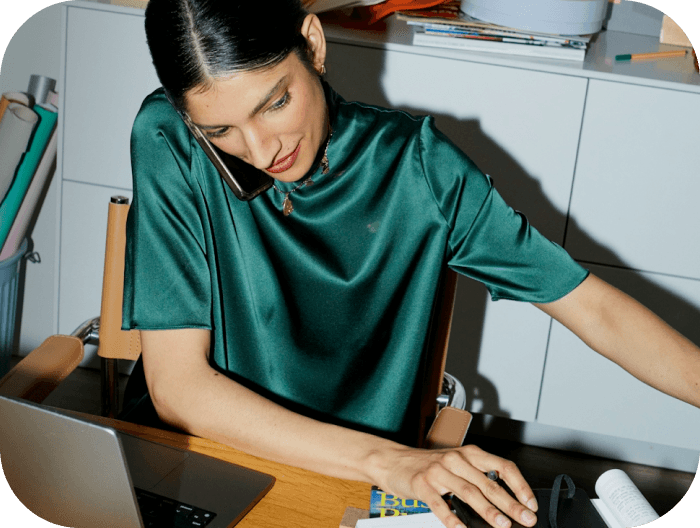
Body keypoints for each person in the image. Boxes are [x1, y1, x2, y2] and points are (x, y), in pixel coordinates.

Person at [120, 1, 700, 528]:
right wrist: (392, 460)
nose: (261, 149)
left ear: (314, 45)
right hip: (196, 468)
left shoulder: (418, 169)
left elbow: (592, 307)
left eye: (275, 102)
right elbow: (178, 388)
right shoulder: (170, 136)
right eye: (220, 130)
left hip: (349, 486)